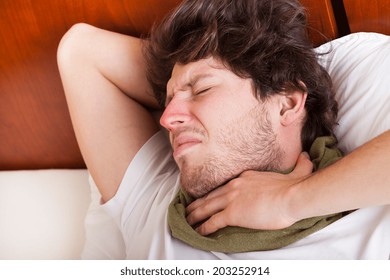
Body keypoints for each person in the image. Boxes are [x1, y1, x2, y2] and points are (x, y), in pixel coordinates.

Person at [57, 0, 390, 259]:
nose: (166, 117)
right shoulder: (154, 203)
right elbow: (80, 50)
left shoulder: (368, 220)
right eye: (167, 99)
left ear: (287, 103)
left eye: (203, 90)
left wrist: (290, 201)